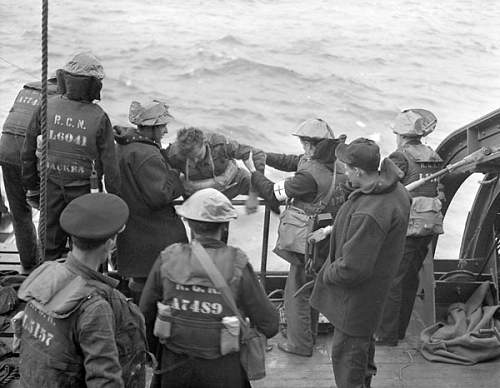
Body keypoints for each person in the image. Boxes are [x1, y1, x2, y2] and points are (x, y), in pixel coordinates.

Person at [139, 188, 279, 388]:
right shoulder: (237, 263)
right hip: (223, 371)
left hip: (174, 368)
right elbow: (270, 323)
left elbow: (145, 314)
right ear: (224, 226)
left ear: (189, 223)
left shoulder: (168, 258)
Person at [16, 193, 148, 387]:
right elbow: (104, 381)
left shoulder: (46, 274)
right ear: (111, 244)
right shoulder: (95, 308)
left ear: (72, 238)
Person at [309, 138, 411, 388]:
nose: (343, 170)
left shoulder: (371, 211)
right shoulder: (396, 191)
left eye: (345, 167)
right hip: (375, 296)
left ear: (358, 171)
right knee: (362, 355)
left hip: (355, 304)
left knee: (348, 363)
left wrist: (327, 273)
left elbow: (353, 269)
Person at [244, 118, 347, 357]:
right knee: (311, 288)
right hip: (328, 235)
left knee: (297, 293)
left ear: (312, 145)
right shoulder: (337, 163)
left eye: (303, 143)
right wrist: (264, 155)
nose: (302, 148)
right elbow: (293, 161)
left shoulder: (308, 177)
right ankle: (307, 337)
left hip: (308, 240)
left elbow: (272, 191)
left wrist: (251, 170)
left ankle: (300, 345)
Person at [21, 51, 121, 261]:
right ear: (93, 85)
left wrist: (31, 185)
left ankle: (49, 286)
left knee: (48, 247)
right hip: (85, 193)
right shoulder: (99, 117)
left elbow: (28, 150)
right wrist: (114, 204)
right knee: (87, 247)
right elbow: (111, 169)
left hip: (49, 190)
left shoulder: (46, 106)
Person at [375, 109, 444, 346]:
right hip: (428, 226)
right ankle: (399, 330)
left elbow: (382, 186)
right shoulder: (432, 155)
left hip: (405, 228)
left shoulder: (400, 156)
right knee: (409, 278)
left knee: (392, 279)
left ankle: (386, 335)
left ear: (401, 135)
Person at [113, 100, 188, 302]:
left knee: (140, 280)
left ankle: (141, 322)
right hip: (153, 233)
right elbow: (160, 196)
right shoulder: (146, 154)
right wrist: (176, 175)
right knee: (160, 282)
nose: (165, 130)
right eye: (162, 125)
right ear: (151, 127)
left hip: (133, 229)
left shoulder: (125, 147)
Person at [0, 77, 58, 271]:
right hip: (29, 152)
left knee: (19, 212)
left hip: (6, 150)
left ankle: (28, 263)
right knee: (47, 208)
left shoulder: (27, 88)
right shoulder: (59, 98)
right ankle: (44, 264)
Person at [164, 127, 265, 213]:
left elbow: (257, 154)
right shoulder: (175, 154)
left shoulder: (219, 144)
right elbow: (160, 167)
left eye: (198, 156)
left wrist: (254, 194)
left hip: (232, 184)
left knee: (270, 192)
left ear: (204, 143)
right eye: (190, 158)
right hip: (199, 196)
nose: (195, 161)